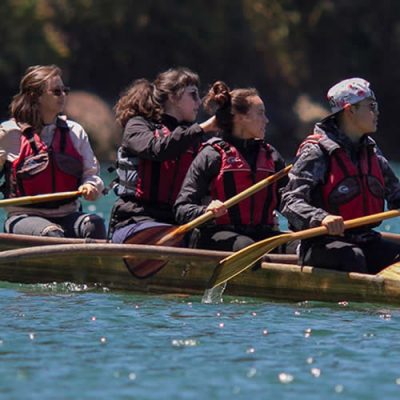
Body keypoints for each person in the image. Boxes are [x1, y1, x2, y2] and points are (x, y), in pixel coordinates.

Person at [281, 77, 400, 274]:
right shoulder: (317, 152)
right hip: (323, 244)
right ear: (349, 110)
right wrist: (322, 218)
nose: (377, 112)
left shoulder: (372, 151)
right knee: (353, 257)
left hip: (365, 240)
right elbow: (290, 200)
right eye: (371, 106)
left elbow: (396, 196)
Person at [174, 81, 289, 252]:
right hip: (218, 235)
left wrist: (318, 218)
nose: (266, 120)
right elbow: (181, 208)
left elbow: (290, 202)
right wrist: (206, 211)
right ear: (239, 117)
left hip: (261, 234)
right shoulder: (211, 155)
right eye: (260, 113)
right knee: (247, 247)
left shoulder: (271, 155)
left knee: (298, 247)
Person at [110, 67, 217, 244]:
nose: (199, 103)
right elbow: (158, 149)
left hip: (179, 222)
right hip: (137, 219)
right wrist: (202, 128)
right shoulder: (137, 126)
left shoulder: (195, 138)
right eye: (193, 95)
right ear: (173, 97)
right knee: (172, 238)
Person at [0, 64, 106, 238]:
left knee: (94, 225)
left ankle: (89, 265)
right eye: (57, 92)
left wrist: (90, 185)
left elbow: (91, 174)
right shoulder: (9, 132)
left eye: (65, 90)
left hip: (67, 215)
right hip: (24, 217)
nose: (63, 95)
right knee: (52, 234)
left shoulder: (75, 132)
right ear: (36, 96)